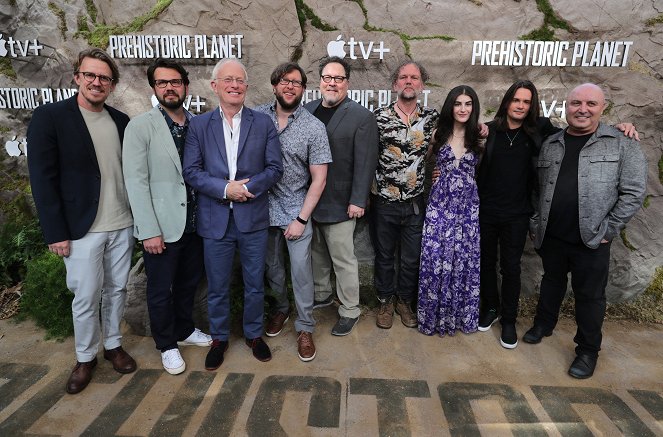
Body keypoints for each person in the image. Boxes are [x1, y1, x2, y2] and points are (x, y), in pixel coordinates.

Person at [476, 80, 639, 349]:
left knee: (511, 267)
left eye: (526, 102)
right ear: (506, 102)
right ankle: (491, 308)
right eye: (516, 100)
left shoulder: (541, 131)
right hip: (487, 212)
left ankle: (509, 319)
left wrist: (623, 126)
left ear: (532, 106)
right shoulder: (489, 131)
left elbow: (583, 129)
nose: (520, 105)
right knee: (487, 264)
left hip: (518, 215)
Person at [27, 48, 136, 394]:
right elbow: (42, 180)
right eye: (90, 75)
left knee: (117, 289)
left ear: (112, 84)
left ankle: (114, 345)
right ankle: (85, 356)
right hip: (80, 229)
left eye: (104, 77)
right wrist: (55, 232)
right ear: (77, 77)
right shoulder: (51, 118)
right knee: (86, 296)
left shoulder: (121, 121)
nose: (96, 82)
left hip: (122, 223)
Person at [525, 83, 647, 378]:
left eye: (591, 104)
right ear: (566, 107)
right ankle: (544, 323)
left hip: (592, 237)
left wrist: (610, 229)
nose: (582, 109)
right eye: (576, 103)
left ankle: (587, 351)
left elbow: (633, 192)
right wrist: (535, 219)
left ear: (602, 107)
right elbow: (536, 187)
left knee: (590, 296)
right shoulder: (551, 143)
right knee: (552, 280)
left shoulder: (621, 142)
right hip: (552, 233)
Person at [183, 59, 283, 369]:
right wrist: (226, 189)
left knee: (254, 281)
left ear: (246, 87)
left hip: (252, 217)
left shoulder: (263, 123)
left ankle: (253, 334)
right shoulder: (198, 125)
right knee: (217, 284)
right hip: (215, 220)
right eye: (228, 80)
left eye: (240, 80)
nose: (235, 85)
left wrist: (247, 188)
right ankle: (220, 338)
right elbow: (192, 171)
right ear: (214, 86)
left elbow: (275, 168)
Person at [122, 58, 212, 376]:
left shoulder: (199, 124)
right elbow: (136, 181)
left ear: (186, 85)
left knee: (188, 284)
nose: (169, 88)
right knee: (160, 289)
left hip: (197, 224)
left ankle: (185, 330)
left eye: (175, 82)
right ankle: (167, 344)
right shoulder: (141, 127)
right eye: (162, 83)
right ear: (154, 88)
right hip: (161, 227)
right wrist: (148, 229)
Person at [254, 62, 332, 361]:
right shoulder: (255, 117)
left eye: (296, 83)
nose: (290, 86)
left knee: (300, 272)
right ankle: (281, 309)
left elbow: (319, 178)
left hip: (295, 211)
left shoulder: (314, 127)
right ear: (275, 85)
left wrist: (301, 218)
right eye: (284, 81)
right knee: (271, 269)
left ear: (303, 89)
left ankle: (305, 327)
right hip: (260, 211)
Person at [304, 56, 379, 336]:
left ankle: (349, 309)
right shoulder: (307, 110)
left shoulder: (361, 117)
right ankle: (322, 295)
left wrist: (358, 199)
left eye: (338, 78)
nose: (331, 83)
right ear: (320, 81)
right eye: (327, 77)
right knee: (317, 254)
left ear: (347, 83)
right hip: (311, 201)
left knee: (343, 259)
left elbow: (366, 161)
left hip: (342, 202)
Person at [371, 61, 438, 329]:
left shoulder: (432, 118)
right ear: (395, 84)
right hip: (384, 201)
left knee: (411, 258)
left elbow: (449, 142)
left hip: (414, 203)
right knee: (384, 256)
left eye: (414, 77)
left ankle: (404, 302)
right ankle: (385, 302)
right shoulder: (379, 116)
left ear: (422, 84)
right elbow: (369, 156)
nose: (408, 81)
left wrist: (483, 128)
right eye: (403, 77)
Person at [418, 85, 482, 336]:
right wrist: (434, 175)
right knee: (435, 260)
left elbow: (481, 171)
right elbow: (421, 164)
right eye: (458, 103)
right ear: (450, 106)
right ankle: (433, 318)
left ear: (473, 107)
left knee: (463, 262)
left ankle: (457, 318)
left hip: (467, 210)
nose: (463, 108)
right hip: (439, 207)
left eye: (468, 104)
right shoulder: (437, 135)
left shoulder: (480, 137)